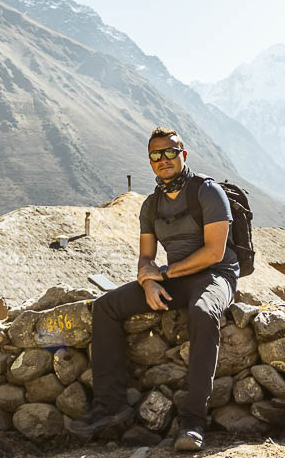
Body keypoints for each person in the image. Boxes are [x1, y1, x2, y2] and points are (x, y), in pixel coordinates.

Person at [71, 127, 239, 451]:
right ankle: (110, 407)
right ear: (150, 162)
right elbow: (146, 257)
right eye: (156, 155)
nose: (164, 159)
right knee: (107, 306)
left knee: (203, 312)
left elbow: (214, 252)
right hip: (175, 277)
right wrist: (148, 280)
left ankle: (192, 422)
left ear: (183, 155)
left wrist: (166, 272)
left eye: (171, 152)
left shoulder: (206, 191)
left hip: (216, 275)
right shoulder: (151, 205)